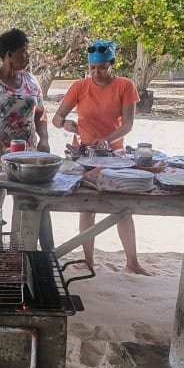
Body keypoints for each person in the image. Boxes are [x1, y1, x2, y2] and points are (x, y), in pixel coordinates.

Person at [51, 40, 149, 275]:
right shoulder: (79, 86)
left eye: (102, 68)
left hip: (114, 153)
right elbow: (56, 119)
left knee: (122, 206)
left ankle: (132, 262)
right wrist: (67, 124)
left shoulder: (125, 86)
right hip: (84, 153)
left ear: (112, 65)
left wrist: (106, 139)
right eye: (93, 68)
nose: (97, 73)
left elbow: (127, 125)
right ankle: (88, 261)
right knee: (88, 206)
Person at [0, 28, 50, 209]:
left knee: (27, 204)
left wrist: (43, 139)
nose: (28, 56)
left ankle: (23, 237)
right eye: (24, 52)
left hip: (26, 156)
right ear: (9, 54)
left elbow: (40, 112)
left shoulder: (31, 81)